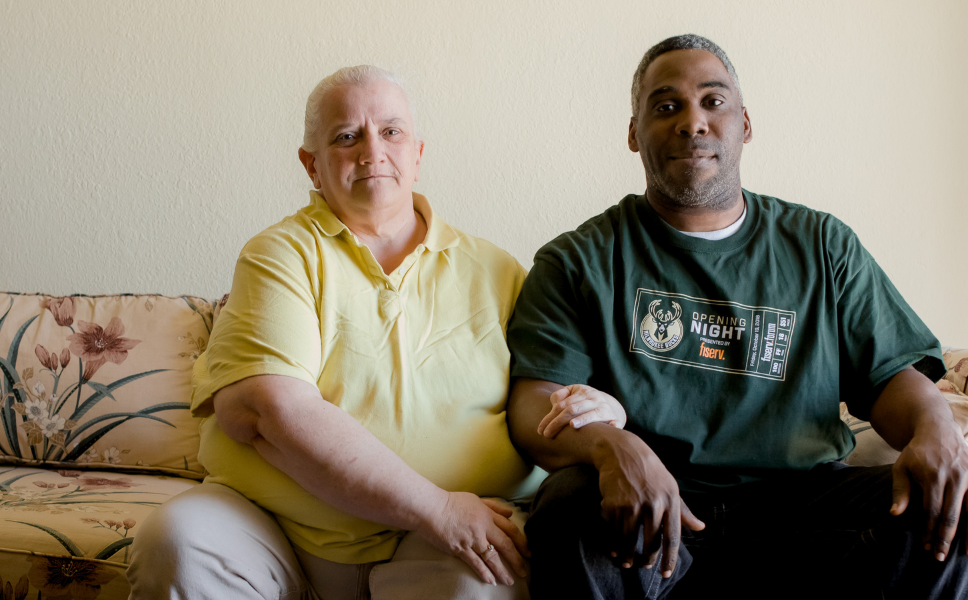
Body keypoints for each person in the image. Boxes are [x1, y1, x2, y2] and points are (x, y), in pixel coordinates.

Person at [504, 35, 968, 599]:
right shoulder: (578, 260)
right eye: (666, 106)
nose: (692, 122)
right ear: (634, 133)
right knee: (568, 504)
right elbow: (533, 402)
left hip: (806, 513)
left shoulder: (822, 245)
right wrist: (614, 448)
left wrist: (938, 430)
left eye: (713, 102)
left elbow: (889, 377)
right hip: (656, 519)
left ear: (744, 124)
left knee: (948, 501)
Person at [125, 65, 621, 600]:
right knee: (176, 540)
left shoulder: (497, 270)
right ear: (311, 166)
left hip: (450, 539)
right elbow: (270, 409)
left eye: (391, 132)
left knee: (483, 581)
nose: (372, 152)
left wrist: (603, 409)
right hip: (279, 533)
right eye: (346, 137)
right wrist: (437, 509)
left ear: (418, 154)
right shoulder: (279, 254)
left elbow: (549, 389)